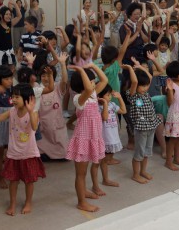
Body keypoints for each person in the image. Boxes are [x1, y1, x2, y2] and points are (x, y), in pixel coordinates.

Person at [0, 83, 46, 216]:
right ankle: (12, 203)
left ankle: (28, 202)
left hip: (29, 153)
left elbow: (34, 127)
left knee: (29, 181)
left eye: (17, 97)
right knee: (13, 181)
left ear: (27, 98)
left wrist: (31, 111)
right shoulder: (12, 111)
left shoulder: (34, 113)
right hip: (13, 153)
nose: (13, 99)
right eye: (12, 96)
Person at [66, 63, 108, 212]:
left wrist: (92, 66)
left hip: (93, 138)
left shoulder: (93, 95)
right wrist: (81, 70)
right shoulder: (79, 99)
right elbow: (89, 88)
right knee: (81, 174)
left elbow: (104, 80)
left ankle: (83, 192)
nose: (93, 83)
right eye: (90, 80)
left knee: (85, 170)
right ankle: (81, 202)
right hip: (83, 140)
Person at [124, 62, 161, 184]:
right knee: (139, 152)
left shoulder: (145, 94)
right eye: (143, 86)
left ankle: (143, 171)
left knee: (147, 151)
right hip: (141, 128)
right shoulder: (132, 95)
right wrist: (130, 68)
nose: (145, 88)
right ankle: (135, 174)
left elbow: (150, 77)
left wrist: (140, 68)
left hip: (151, 125)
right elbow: (134, 82)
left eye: (146, 86)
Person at [37, 53, 69, 160]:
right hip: (43, 126)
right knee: (42, 149)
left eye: (49, 75)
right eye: (43, 75)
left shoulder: (58, 88)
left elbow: (64, 80)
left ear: (53, 76)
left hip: (56, 125)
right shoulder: (37, 89)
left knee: (62, 153)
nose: (45, 78)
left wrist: (63, 64)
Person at [98, 84, 126, 187]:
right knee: (103, 160)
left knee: (106, 159)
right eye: (107, 95)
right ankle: (105, 179)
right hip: (105, 137)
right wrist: (104, 103)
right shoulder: (98, 107)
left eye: (110, 95)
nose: (110, 97)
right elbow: (104, 118)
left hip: (113, 135)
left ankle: (106, 178)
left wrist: (119, 98)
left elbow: (123, 111)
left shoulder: (112, 105)